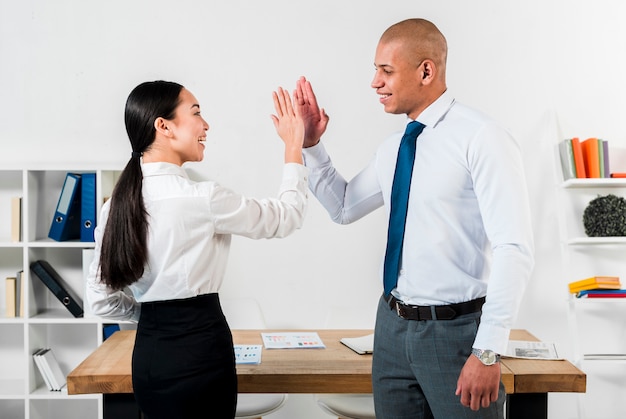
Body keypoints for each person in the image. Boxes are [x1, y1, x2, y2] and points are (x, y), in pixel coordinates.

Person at [295, 18, 534, 418]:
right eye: (375, 70)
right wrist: (313, 145)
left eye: (386, 70)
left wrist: (489, 349)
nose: (374, 82)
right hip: (391, 328)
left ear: (426, 70)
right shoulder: (395, 147)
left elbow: (515, 247)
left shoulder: (482, 137)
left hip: (456, 335)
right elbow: (343, 207)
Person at [85, 80, 307, 419]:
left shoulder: (113, 205)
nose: (206, 125)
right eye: (196, 113)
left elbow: (101, 300)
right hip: (201, 355)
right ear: (164, 127)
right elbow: (286, 217)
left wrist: (155, 317)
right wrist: (294, 147)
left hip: (149, 358)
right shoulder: (203, 198)